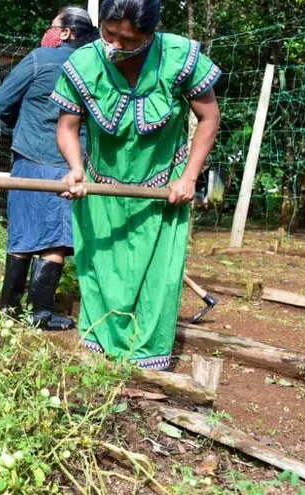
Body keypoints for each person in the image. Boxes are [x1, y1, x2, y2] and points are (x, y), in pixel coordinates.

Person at [54, 0, 221, 369]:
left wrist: (189, 176)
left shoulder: (178, 57)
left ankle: (145, 361)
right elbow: (67, 126)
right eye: (109, 33)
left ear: (149, 33)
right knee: (102, 271)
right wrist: (76, 168)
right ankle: (100, 352)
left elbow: (209, 118)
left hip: (163, 194)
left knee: (157, 279)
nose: (115, 45)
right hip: (102, 190)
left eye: (128, 40)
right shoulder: (84, 63)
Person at [0, 6, 97, 330]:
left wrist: (20, 126)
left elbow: (3, 100)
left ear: (66, 32)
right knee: (55, 239)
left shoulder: (41, 58)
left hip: (29, 157)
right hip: (71, 164)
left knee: (23, 233)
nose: (49, 31)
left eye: (54, 26)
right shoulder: (94, 67)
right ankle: (40, 314)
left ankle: (9, 308)